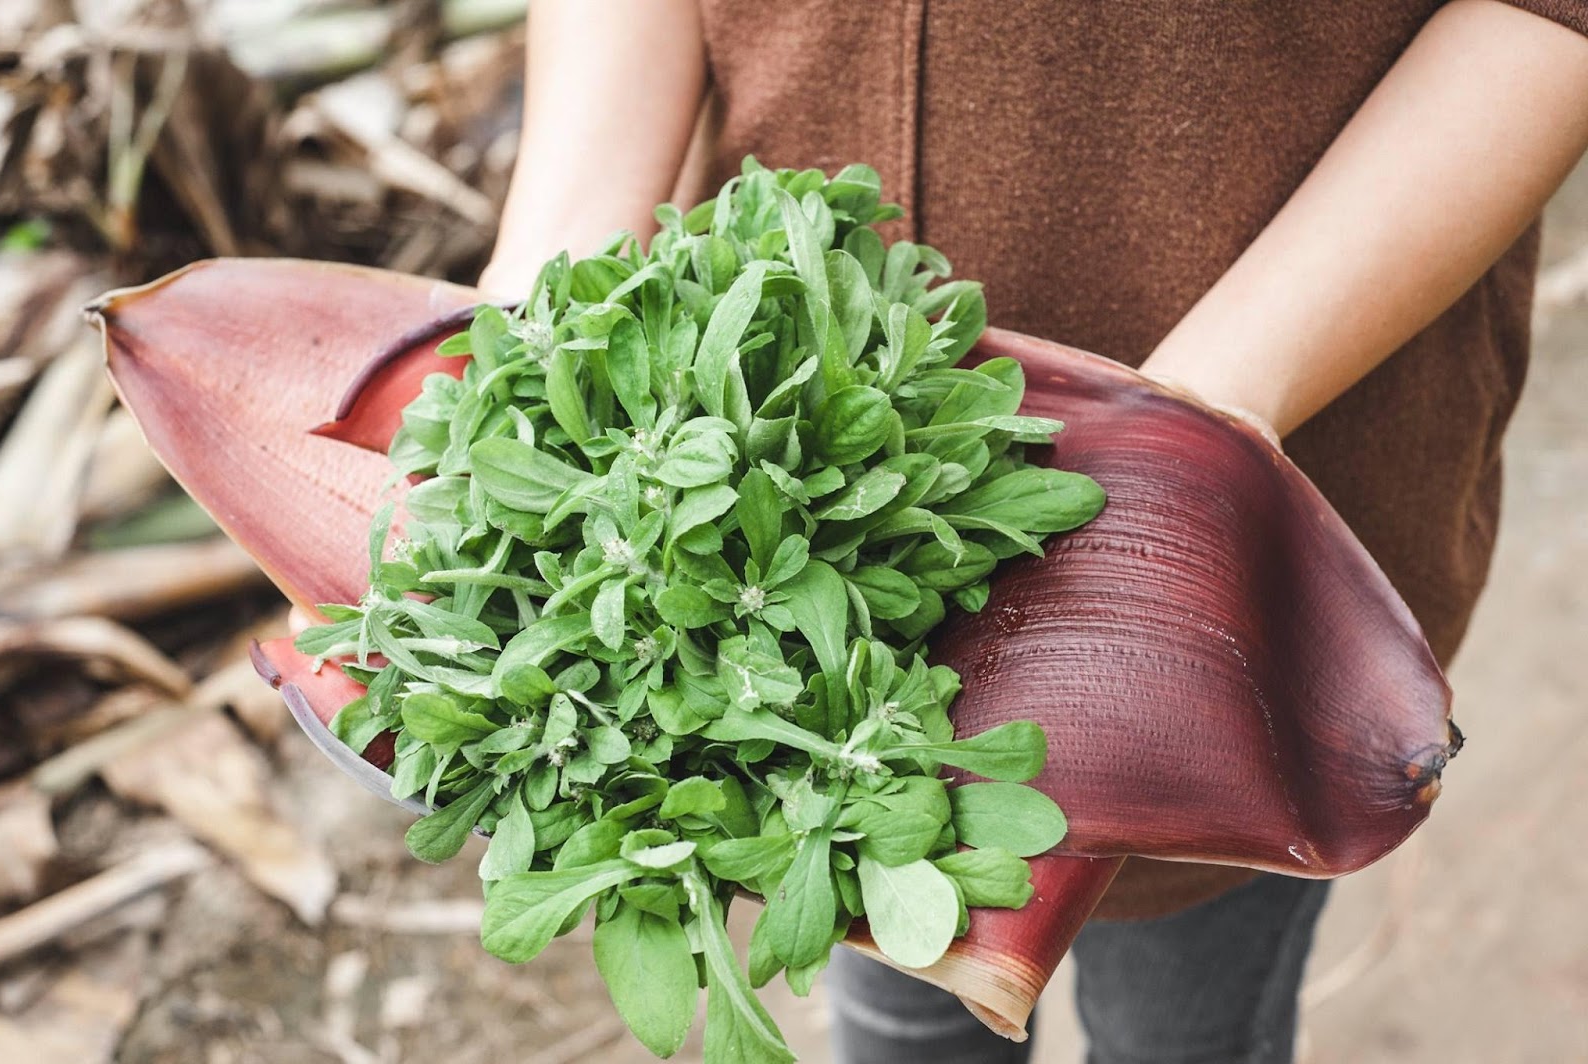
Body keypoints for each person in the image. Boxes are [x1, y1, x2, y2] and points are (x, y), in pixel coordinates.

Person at [475, 3, 1588, 1062]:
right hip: (782, 462)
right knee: (891, 974)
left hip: (1257, 473)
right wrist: (555, 295)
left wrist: (1179, 439)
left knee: (1181, 1009)